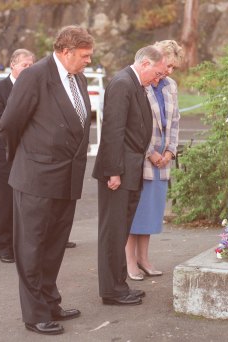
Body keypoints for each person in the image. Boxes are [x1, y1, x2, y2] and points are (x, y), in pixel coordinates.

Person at [0, 25, 94, 335]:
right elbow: (10, 123)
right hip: (35, 178)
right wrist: (27, 160)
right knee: (31, 248)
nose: (88, 61)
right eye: (84, 56)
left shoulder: (76, 76)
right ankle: (35, 314)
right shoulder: (35, 76)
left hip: (67, 178)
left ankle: (50, 302)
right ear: (65, 52)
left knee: (54, 247)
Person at [92, 45, 167, 306]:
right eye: (157, 73)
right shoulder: (123, 83)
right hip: (119, 171)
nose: (158, 78)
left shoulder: (136, 84)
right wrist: (113, 171)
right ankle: (112, 291)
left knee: (121, 230)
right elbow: (113, 130)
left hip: (130, 168)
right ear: (145, 63)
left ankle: (118, 285)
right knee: (113, 232)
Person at [125, 40, 183, 281]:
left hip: (163, 159)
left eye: (173, 68)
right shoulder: (140, 82)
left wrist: (170, 151)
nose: (169, 72)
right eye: (167, 66)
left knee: (150, 211)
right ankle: (129, 261)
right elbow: (133, 124)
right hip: (141, 157)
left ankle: (144, 258)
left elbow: (175, 120)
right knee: (134, 211)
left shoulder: (170, 85)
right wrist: (150, 152)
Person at [0, 49, 35, 263]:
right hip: (6, 154)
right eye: (24, 65)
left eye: (31, 65)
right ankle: (3, 246)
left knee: (31, 200)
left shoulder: (35, 88)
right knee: (4, 201)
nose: (28, 69)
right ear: (12, 65)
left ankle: (28, 243)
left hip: (32, 155)